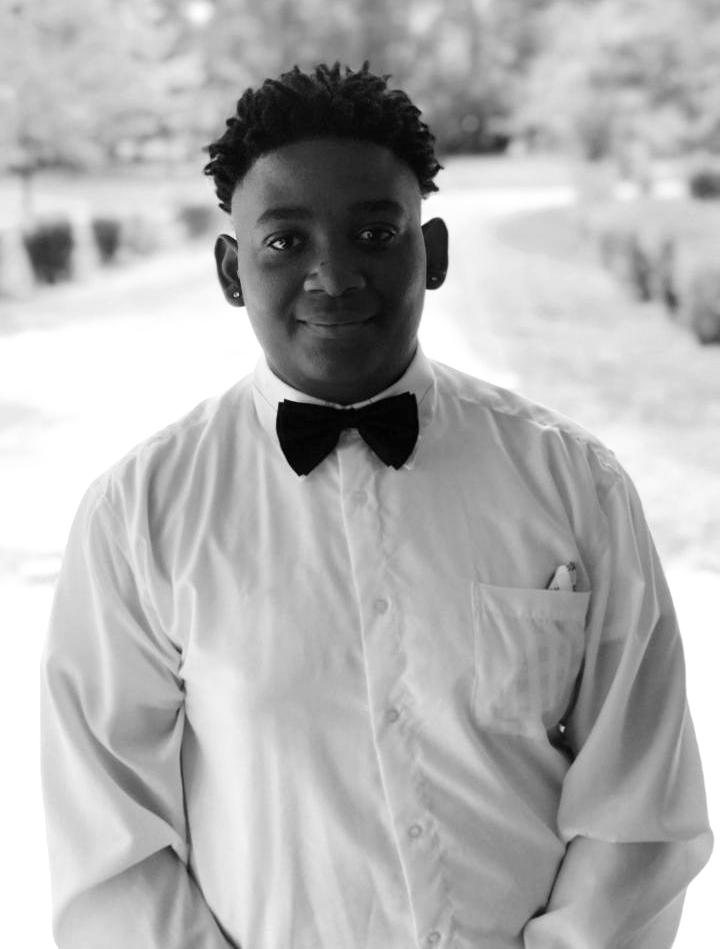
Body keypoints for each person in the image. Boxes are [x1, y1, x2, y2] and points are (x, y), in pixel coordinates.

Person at [40, 62, 712, 949]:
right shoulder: (138, 518)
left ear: (432, 253)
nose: (333, 276)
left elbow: (639, 801)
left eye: (374, 232)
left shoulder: (574, 484)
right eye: (286, 241)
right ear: (232, 271)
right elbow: (110, 841)